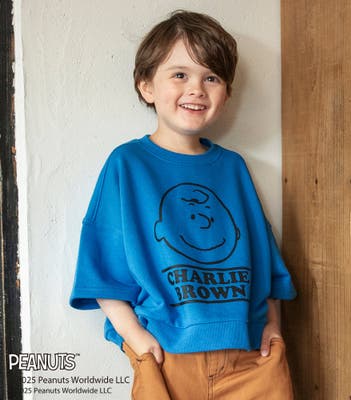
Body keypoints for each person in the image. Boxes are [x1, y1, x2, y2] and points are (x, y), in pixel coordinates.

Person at [70, 9, 297, 400]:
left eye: (211, 77)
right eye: (179, 75)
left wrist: (273, 325)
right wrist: (135, 338)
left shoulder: (232, 167)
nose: (197, 89)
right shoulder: (127, 164)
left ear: (226, 94)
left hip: (249, 358)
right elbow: (102, 268)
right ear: (146, 86)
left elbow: (263, 257)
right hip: (167, 359)